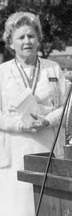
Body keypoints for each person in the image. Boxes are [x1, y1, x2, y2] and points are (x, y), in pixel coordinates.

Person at [0, 12, 67, 216]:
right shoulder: (2, 73)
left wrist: (47, 120)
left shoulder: (53, 68)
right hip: (15, 151)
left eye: (31, 36)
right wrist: (20, 125)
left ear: (38, 39)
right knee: (20, 208)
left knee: (50, 206)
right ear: (11, 43)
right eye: (20, 37)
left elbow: (67, 106)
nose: (26, 41)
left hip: (49, 146)